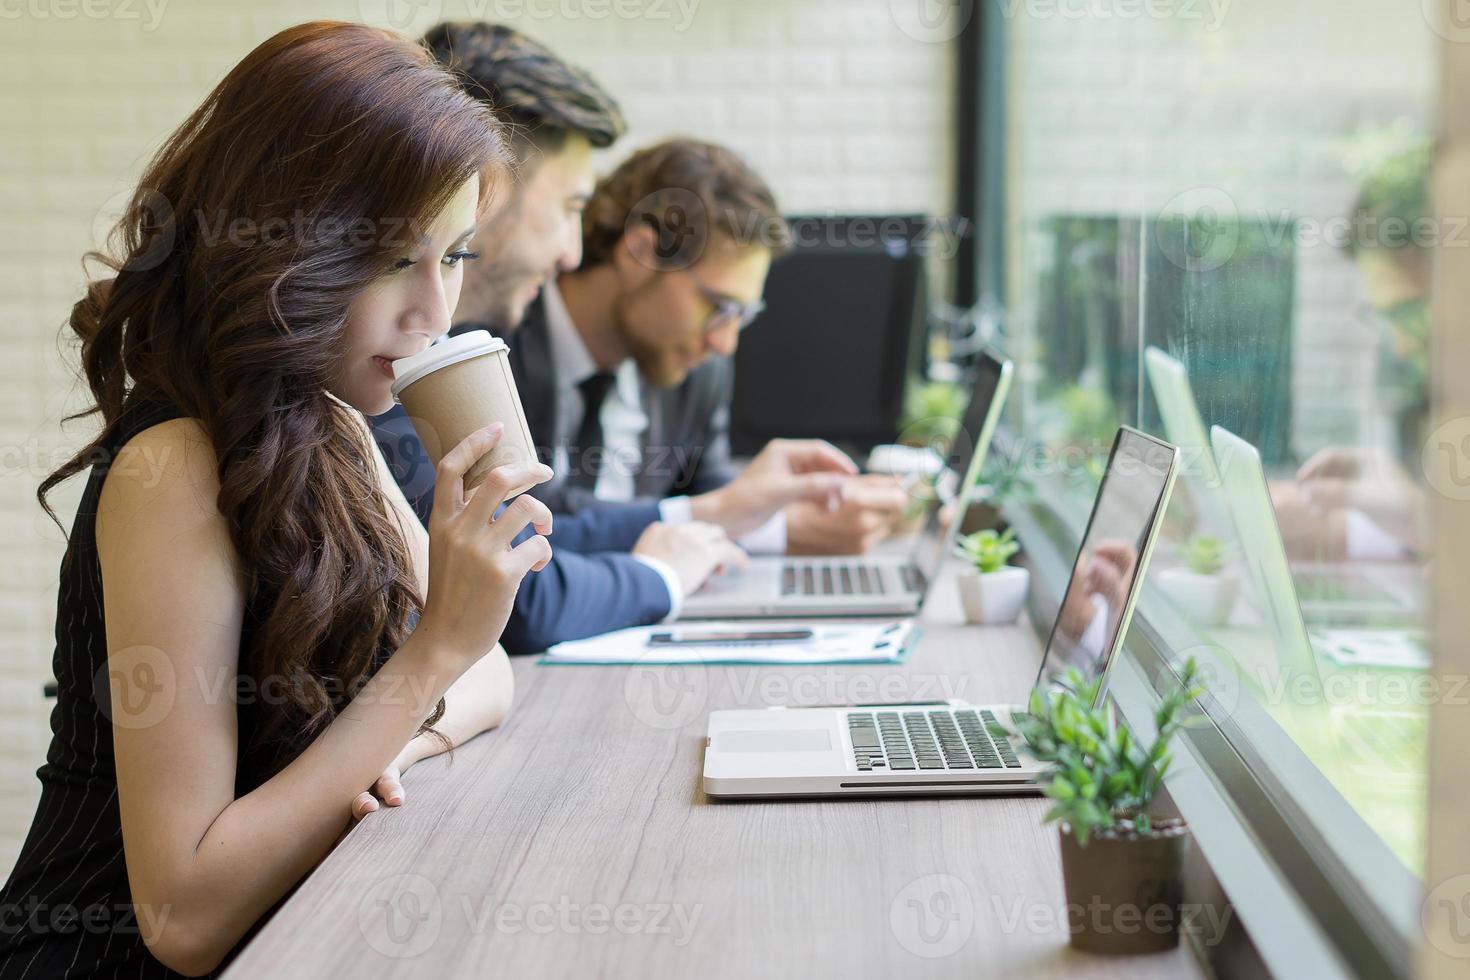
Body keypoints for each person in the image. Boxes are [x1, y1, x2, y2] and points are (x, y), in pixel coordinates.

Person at [0, 22, 553, 977]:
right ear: (284, 246)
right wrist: (430, 661)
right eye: (391, 260)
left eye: (453, 258)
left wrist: (395, 746)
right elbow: (182, 918)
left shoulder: (331, 423)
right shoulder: (173, 466)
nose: (432, 314)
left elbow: (490, 675)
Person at [372, 27, 867, 653]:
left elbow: (533, 545)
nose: (572, 252)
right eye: (569, 206)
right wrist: (663, 572)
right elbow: (516, 582)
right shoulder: (457, 351)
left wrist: (757, 521)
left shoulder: (690, 368)